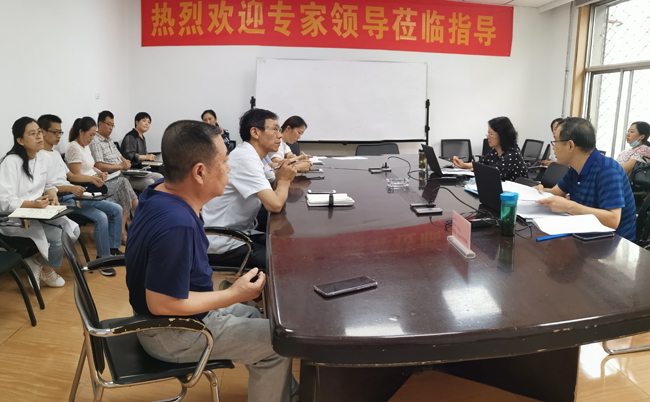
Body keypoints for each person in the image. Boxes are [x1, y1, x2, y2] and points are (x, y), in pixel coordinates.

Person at [125, 120, 296, 402]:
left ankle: (283, 392)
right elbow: (162, 304)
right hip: (172, 332)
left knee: (254, 315)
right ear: (200, 172)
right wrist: (234, 294)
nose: (229, 168)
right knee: (278, 344)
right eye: (224, 161)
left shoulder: (159, 190)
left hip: (171, 317)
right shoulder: (176, 225)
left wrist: (235, 296)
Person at [202, 108, 297, 269]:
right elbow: (274, 204)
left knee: (287, 246)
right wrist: (285, 180)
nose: (280, 135)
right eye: (275, 129)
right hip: (222, 240)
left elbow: (273, 185)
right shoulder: (245, 157)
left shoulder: (255, 156)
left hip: (241, 232)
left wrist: (283, 176)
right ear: (255, 132)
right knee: (283, 261)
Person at [39, 114, 122, 277]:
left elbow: (71, 175)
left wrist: (93, 178)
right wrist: (71, 188)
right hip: (61, 199)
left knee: (116, 208)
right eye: (55, 132)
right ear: (42, 132)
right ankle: (103, 259)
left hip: (74, 194)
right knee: (100, 217)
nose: (58, 136)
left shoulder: (55, 154)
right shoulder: (40, 157)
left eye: (60, 132)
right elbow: (46, 187)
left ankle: (112, 250)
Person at [0, 117, 79, 288]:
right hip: (14, 219)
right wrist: (33, 204)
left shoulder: (44, 157)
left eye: (39, 132)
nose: (39, 137)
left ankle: (38, 263)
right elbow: (5, 201)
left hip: (39, 213)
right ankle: (47, 270)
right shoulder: (10, 162)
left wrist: (52, 197)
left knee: (74, 230)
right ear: (20, 140)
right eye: (32, 134)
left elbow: (50, 185)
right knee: (58, 237)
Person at [534, 117, 636, 241]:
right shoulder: (575, 168)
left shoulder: (608, 170)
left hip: (612, 242)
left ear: (570, 145)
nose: (554, 147)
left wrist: (569, 206)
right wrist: (540, 191)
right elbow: (556, 192)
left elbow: (613, 220)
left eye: (555, 141)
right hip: (584, 233)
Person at [65, 117, 138, 245]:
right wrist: (94, 178)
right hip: (88, 186)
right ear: (81, 132)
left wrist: (100, 173)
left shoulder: (85, 146)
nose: (92, 138)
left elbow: (90, 166)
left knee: (123, 186)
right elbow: (75, 175)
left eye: (94, 135)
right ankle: (127, 229)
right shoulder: (74, 148)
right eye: (90, 135)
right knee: (123, 184)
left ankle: (125, 231)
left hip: (96, 181)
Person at [90, 110, 163, 191]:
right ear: (100, 124)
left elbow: (120, 156)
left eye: (112, 125)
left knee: (160, 178)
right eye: (108, 124)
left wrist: (126, 163)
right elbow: (99, 166)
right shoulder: (95, 141)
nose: (111, 128)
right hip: (115, 175)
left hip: (127, 171)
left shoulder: (109, 140)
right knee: (149, 182)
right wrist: (121, 166)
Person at [452, 117, 527, 181]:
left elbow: (492, 174)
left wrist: (477, 170)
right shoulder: (495, 151)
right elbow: (481, 163)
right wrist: (463, 165)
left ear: (502, 135)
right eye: (488, 133)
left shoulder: (512, 154)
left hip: (516, 192)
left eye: (491, 134)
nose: (488, 137)